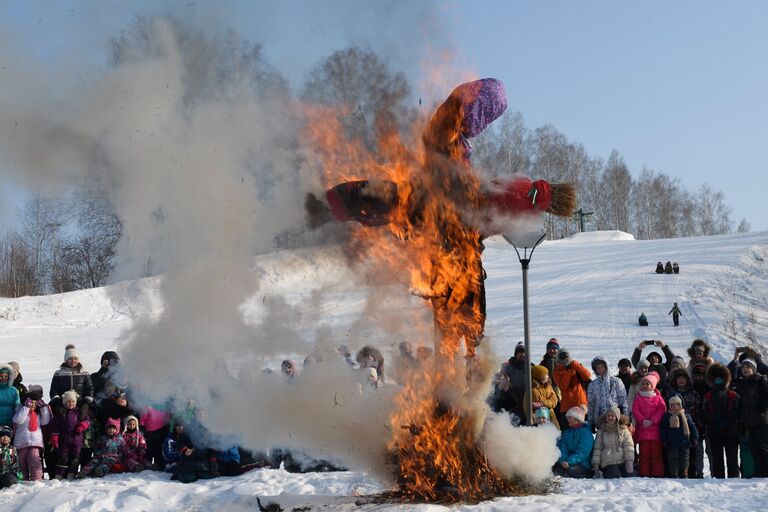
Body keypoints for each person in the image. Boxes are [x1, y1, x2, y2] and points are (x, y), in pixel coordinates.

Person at [702, 362, 740, 478]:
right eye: (716, 378)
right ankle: (719, 479)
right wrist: (717, 421)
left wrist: (728, 421)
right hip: (714, 431)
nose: (718, 380)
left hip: (731, 431)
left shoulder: (733, 395)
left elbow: (737, 410)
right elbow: (705, 412)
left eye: (721, 378)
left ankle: (734, 478)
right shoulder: (708, 395)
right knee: (717, 458)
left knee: (732, 458)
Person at [666, 368, 704, 478]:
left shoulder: (693, 392)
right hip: (676, 427)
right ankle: (678, 473)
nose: (681, 380)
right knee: (678, 454)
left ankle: (693, 473)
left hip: (692, 424)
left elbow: (699, 409)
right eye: (679, 378)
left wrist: (699, 424)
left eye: (683, 378)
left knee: (693, 452)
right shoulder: (671, 393)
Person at [737, 358, 768, 477]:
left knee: (764, 448)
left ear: (754, 369)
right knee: (754, 449)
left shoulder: (761, 380)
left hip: (762, 421)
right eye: (743, 367)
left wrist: (760, 408)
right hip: (749, 422)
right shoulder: (744, 384)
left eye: (748, 367)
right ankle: (760, 472)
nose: (745, 369)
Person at [12, 384, 50, 481]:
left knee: (35, 460)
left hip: (35, 442)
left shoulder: (38, 414)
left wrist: (43, 407)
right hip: (21, 442)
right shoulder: (20, 410)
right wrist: (26, 407)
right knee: (22, 462)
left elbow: (45, 421)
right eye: (31, 403)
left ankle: (37, 478)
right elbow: (19, 420)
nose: (32, 405)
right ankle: (23, 479)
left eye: (35, 403)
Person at [632, 371, 666, 477]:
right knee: (644, 454)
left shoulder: (658, 398)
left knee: (656, 454)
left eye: (647, 384)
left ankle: (657, 474)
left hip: (655, 432)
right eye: (643, 384)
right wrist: (643, 420)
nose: (645, 386)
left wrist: (653, 420)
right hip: (643, 431)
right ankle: (644, 473)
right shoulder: (638, 398)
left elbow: (661, 410)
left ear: (653, 385)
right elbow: (635, 410)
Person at [51, 389, 89, 480]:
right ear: (64, 403)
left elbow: (87, 421)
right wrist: (55, 437)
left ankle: (71, 474)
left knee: (75, 458)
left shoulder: (79, 412)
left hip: (77, 440)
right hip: (64, 440)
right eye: (68, 402)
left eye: (73, 401)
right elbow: (56, 426)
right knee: (63, 458)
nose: (71, 403)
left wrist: (82, 426)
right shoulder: (61, 413)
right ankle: (59, 475)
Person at [660, 396, 699, 478]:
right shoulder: (667, 417)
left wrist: (695, 438)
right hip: (672, 443)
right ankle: (674, 473)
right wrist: (664, 440)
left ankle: (684, 472)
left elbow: (692, 428)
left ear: (681, 405)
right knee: (673, 459)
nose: (675, 407)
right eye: (673, 405)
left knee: (684, 459)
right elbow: (663, 429)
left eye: (678, 404)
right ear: (669, 406)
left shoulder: (685, 416)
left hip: (684, 442)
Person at [49, 344, 94, 415]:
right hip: (63, 405)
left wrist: (86, 404)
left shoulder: (84, 372)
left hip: (80, 405)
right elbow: (54, 391)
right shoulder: (59, 374)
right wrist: (58, 404)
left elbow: (89, 389)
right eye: (70, 359)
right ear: (66, 360)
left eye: (75, 359)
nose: (73, 361)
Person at [591, 405, 634, 479]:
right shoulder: (601, 432)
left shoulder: (623, 430)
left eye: (613, 416)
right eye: (608, 416)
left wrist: (629, 461)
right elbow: (597, 449)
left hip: (622, 461)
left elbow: (628, 446)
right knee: (616, 477)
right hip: (608, 462)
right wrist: (596, 465)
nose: (610, 417)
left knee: (629, 476)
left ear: (617, 417)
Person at [587, 356, 628, 426]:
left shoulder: (616, 381)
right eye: (598, 367)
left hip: (615, 418)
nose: (600, 369)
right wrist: (590, 421)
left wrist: (625, 417)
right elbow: (591, 404)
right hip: (600, 420)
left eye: (601, 366)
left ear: (606, 367)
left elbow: (623, 400)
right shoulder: (592, 385)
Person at [554, 406, 594, 478]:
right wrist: (563, 460)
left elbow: (582, 452)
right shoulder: (567, 433)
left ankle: (588, 474)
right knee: (557, 469)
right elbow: (563, 447)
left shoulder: (586, 433)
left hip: (583, 463)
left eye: (570, 417)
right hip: (568, 462)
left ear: (577, 419)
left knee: (570, 471)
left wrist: (569, 462)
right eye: (568, 417)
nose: (567, 419)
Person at [553, 348, 591, 421]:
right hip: (566, 408)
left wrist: (574, 364)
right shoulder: (557, 372)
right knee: (568, 431)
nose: (565, 359)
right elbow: (564, 386)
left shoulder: (576, 367)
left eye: (566, 357)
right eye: (562, 357)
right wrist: (568, 371)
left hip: (580, 405)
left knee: (582, 431)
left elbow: (587, 376)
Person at [502, 342, 529, 424]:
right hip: (513, 401)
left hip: (526, 402)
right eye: (520, 352)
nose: (522, 354)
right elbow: (501, 378)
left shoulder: (530, 366)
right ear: (516, 354)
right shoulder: (508, 366)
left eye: (524, 352)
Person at [526, 365, 560, 430]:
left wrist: (542, 403)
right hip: (538, 419)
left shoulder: (548, 386)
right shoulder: (531, 389)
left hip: (551, 416)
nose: (547, 376)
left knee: (555, 435)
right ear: (539, 376)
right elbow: (526, 406)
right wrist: (533, 418)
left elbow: (554, 400)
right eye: (545, 375)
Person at [140, 403, 170, 470]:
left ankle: (158, 464)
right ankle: (148, 463)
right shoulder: (148, 407)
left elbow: (167, 418)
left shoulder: (164, 406)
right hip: (149, 432)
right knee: (150, 448)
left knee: (159, 448)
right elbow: (143, 419)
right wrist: (142, 427)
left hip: (161, 430)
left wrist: (166, 427)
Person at [0, 364, 20, 428]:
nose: (3, 378)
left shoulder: (13, 390)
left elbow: (17, 406)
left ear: (9, 377)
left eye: (5, 376)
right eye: (1, 376)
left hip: (10, 422)